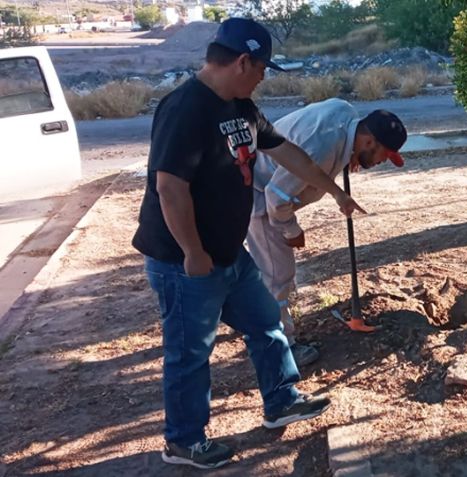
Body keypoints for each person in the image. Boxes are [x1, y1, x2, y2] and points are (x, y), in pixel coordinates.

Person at [131, 18, 365, 469]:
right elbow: (169, 189)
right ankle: (183, 441)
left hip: (229, 254)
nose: (263, 77)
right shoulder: (186, 108)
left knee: (266, 323)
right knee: (190, 354)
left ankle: (281, 401)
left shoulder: (240, 106)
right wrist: (194, 254)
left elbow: (286, 151)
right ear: (242, 61)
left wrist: (334, 190)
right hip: (184, 259)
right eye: (262, 68)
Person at [247, 99, 408, 366]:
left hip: (263, 179)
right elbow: (276, 198)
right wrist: (291, 230)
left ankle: (255, 320)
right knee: (277, 275)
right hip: (258, 193)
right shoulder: (322, 150)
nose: (383, 162)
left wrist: (347, 159)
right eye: (385, 156)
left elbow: (325, 136)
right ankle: (280, 349)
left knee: (270, 274)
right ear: (369, 142)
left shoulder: (345, 114)